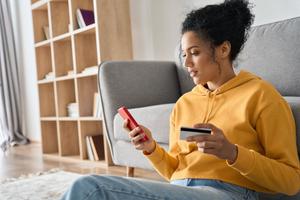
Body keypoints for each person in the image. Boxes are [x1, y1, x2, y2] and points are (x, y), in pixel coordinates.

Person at [61, 0, 300, 199]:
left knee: (89, 189)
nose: (186, 64)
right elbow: (176, 171)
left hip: (229, 193)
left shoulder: (261, 96)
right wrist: (151, 148)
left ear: (223, 50)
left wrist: (233, 153)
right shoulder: (185, 104)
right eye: (184, 55)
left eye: (195, 53)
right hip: (180, 190)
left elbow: (291, 181)